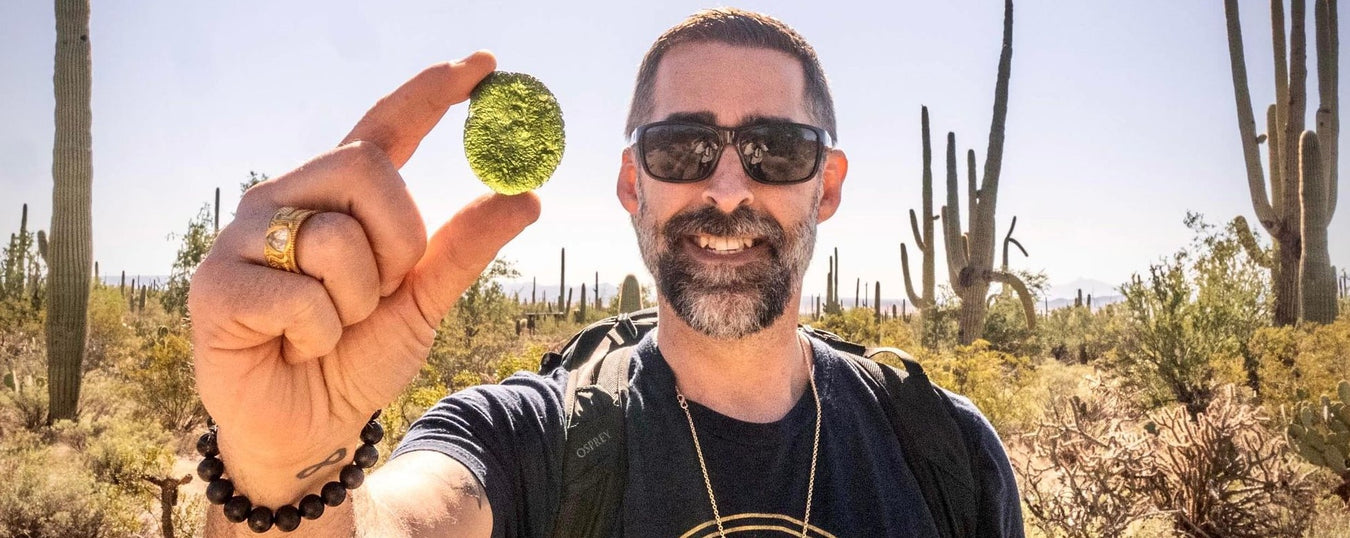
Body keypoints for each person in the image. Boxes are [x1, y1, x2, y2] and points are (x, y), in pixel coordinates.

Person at [194, 8, 1024, 537]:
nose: (726, 189)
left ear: (827, 186)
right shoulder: (533, 440)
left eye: (775, 149)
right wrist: (282, 472)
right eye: (681, 148)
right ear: (633, 185)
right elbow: (405, 520)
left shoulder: (946, 452)